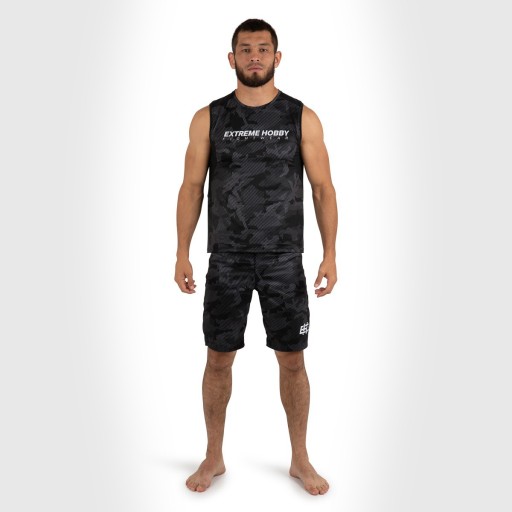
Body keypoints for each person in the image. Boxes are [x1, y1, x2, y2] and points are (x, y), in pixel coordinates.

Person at [174, 18, 337, 496]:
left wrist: (330, 254)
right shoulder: (209, 117)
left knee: (293, 360)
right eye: (245, 49)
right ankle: (213, 455)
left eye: (263, 49)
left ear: (276, 57)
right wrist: (182, 251)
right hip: (226, 259)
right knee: (218, 359)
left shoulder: (301, 117)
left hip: (284, 259)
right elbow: (191, 188)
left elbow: (323, 189)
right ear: (232, 59)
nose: (254, 56)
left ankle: (300, 459)